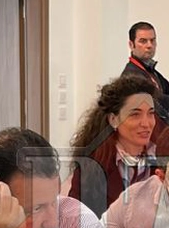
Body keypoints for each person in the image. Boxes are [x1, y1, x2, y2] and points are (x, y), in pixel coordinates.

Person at [68, 74, 160, 217]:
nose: (146, 123)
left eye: (150, 113)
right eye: (135, 115)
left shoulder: (165, 160)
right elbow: (75, 220)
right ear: (113, 120)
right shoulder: (92, 167)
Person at [121, 21, 169, 120]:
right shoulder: (131, 75)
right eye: (143, 41)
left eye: (152, 40)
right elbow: (156, 107)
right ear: (131, 45)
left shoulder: (154, 73)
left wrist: (168, 102)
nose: (149, 45)